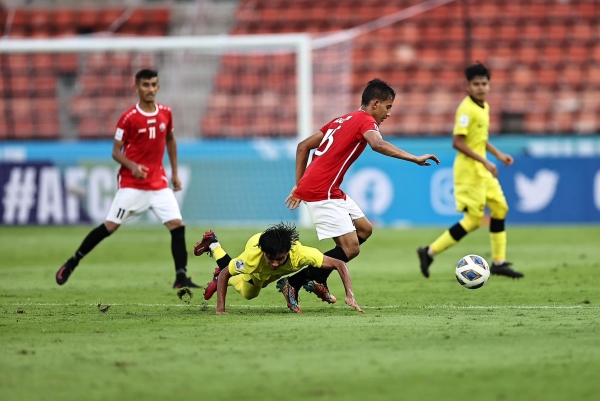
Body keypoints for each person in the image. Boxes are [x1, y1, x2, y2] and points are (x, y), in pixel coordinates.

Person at [282, 78, 440, 304]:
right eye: (388, 107)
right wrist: (414, 158)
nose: (388, 114)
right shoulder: (366, 121)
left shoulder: (342, 120)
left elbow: (303, 146)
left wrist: (300, 184)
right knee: (351, 248)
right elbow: (378, 144)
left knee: (364, 230)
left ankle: (317, 278)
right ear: (375, 103)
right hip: (322, 191)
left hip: (327, 188)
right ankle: (294, 283)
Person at [55, 69, 199, 289]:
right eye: (145, 85)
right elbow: (115, 151)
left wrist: (175, 173)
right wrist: (132, 166)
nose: (150, 89)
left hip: (158, 183)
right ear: (136, 88)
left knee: (177, 225)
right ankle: (72, 262)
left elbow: (170, 139)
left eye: (153, 85)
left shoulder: (166, 113)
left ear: (158, 87)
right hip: (132, 183)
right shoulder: (128, 118)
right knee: (110, 226)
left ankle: (181, 278)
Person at [417, 63, 524, 279]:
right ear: (467, 86)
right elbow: (458, 142)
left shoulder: (484, 107)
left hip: (483, 169)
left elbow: (480, 140)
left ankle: (499, 262)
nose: (481, 87)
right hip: (469, 172)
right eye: (476, 84)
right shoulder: (466, 109)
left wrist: (498, 155)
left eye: (484, 83)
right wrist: (486, 161)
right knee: (473, 220)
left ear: (489, 86)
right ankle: (428, 252)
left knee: (500, 209)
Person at [193, 223, 363, 315]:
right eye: (270, 259)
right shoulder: (253, 258)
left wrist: (350, 295)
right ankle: (213, 244)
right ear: (264, 253)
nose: (274, 263)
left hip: (271, 248)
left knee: (262, 281)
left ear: (288, 252)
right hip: (256, 244)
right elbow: (226, 273)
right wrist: (220, 309)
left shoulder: (302, 254)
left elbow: (340, 264)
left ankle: (213, 245)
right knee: (249, 293)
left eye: (279, 259)